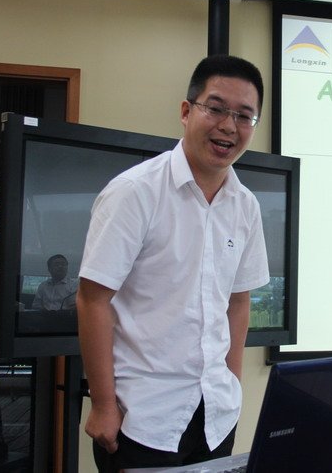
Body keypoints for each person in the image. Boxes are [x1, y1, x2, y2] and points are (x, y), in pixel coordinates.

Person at [76, 54, 269, 472]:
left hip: (215, 417)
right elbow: (92, 300)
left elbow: (238, 302)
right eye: (215, 108)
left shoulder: (246, 206)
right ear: (186, 111)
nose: (229, 126)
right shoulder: (134, 192)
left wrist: (232, 385)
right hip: (141, 418)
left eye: (244, 116)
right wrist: (103, 405)